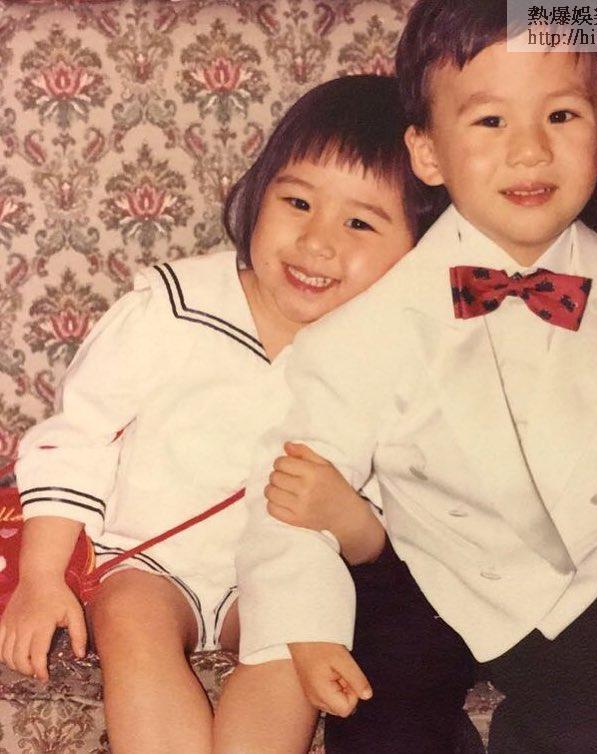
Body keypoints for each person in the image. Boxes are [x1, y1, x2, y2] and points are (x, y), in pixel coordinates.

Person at [235, 2, 597, 753]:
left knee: (586, 735)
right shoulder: (368, 325)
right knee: (384, 734)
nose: (529, 151)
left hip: (569, 583)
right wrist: (306, 626)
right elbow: (291, 485)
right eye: (489, 121)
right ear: (428, 153)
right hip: (418, 571)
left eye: (562, 116)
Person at [0, 74, 445, 754]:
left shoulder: (396, 361)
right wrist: (39, 578)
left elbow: (388, 531)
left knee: (299, 638)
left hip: (288, 574)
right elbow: (77, 439)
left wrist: (348, 516)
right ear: (259, 193)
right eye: (298, 202)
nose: (317, 241)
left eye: (359, 222)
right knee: (131, 617)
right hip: (151, 563)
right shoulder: (172, 306)